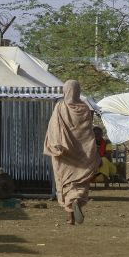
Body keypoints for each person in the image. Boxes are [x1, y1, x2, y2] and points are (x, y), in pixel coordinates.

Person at [43, 80, 100, 225]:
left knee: (64, 182)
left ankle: (70, 217)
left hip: (63, 154)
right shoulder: (84, 108)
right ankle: (77, 201)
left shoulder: (60, 107)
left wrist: (56, 145)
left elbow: (53, 128)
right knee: (80, 181)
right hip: (82, 154)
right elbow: (87, 133)